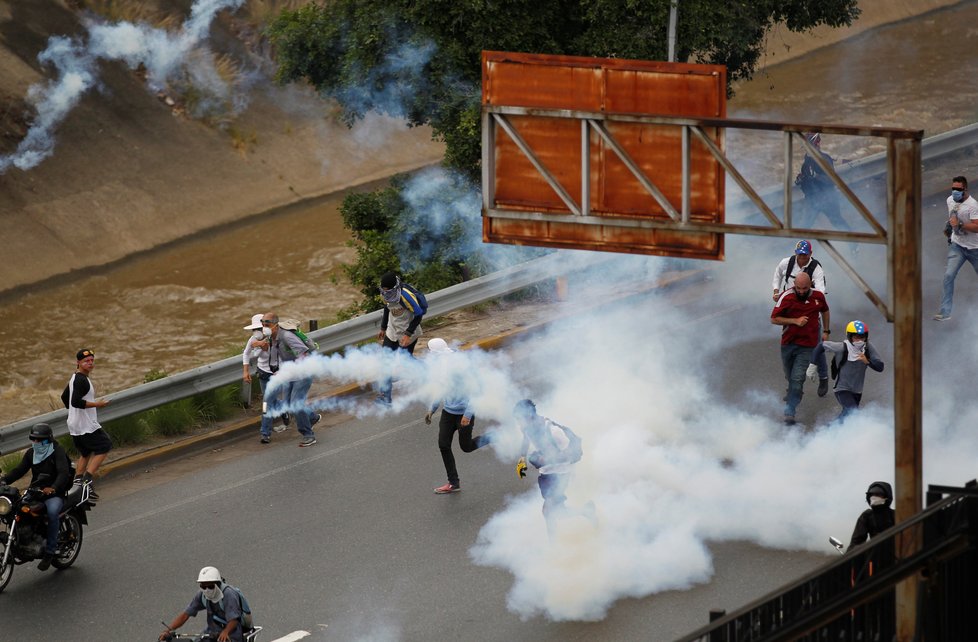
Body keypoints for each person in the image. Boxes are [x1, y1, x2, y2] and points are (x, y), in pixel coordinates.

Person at [0, 423, 72, 570]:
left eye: (40, 440)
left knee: (52, 513)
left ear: (48, 440)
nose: (37, 443)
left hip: (54, 494)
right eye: (34, 439)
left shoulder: (57, 451)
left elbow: (63, 473)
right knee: (17, 510)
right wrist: (3, 481)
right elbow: (19, 471)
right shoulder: (32, 453)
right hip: (35, 492)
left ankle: (50, 552)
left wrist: (53, 488)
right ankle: (24, 540)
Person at [423, 338, 490, 494]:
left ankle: (492, 437)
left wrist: (467, 414)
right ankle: (453, 483)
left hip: (463, 414)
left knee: (466, 447)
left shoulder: (461, 366)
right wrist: (432, 409)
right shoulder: (441, 366)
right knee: (443, 444)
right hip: (448, 413)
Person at [513, 399, 583, 534]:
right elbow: (526, 439)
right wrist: (522, 458)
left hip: (562, 473)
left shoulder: (553, 430)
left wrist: (548, 459)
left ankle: (553, 548)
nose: (518, 422)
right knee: (559, 512)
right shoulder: (527, 427)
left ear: (528, 415)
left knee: (548, 511)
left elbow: (570, 452)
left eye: (519, 418)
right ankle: (586, 511)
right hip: (546, 473)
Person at [772, 239, 831, 397]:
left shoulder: (816, 268)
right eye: (799, 255)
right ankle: (793, 386)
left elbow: (820, 289)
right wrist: (776, 290)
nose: (802, 258)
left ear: (810, 254)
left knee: (816, 346)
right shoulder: (787, 263)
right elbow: (777, 274)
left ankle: (823, 376)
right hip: (791, 310)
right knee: (789, 347)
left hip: (810, 310)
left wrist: (810, 296)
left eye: (805, 255)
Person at [771, 272, 830, 425]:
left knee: (797, 379)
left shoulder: (818, 296)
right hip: (788, 344)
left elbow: (825, 310)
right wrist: (794, 321)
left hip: (808, 346)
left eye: (804, 288)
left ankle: (790, 410)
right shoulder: (786, 296)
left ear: (810, 285)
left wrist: (826, 331)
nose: (801, 291)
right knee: (790, 376)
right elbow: (774, 318)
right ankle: (794, 392)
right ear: (794, 286)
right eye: (798, 288)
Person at [261, 312, 319, 447]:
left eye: (267, 323)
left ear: (275, 325)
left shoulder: (286, 336)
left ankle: (308, 435)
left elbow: (303, 353)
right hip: (290, 374)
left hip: (303, 373)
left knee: (295, 404)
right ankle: (312, 417)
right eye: (263, 323)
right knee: (288, 405)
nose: (264, 326)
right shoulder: (273, 338)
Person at [60, 348, 112, 496]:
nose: (89, 363)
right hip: (85, 425)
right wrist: (97, 404)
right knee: (105, 446)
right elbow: (75, 401)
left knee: (85, 453)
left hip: (75, 424)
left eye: (91, 361)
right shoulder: (81, 380)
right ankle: (86, 482)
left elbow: (65, 397)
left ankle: (77, 486)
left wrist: (74, 413)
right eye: (86, 361)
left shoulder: (74, 378)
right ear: (78, 363)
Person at [812, 320, 885, 421]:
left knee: (848, 416)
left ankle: (832, 430)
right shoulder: (842, 347)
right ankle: (831, 432)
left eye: (862, 337)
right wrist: (812, 365)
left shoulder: (868, 347)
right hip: (842, 388)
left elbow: (880, 367)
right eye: (856, 337)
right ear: (850, 337)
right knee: (853, 412)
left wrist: (867, 361)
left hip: (857, 391)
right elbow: (821, 346)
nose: (859, 340)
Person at [376, 272, 426, 404]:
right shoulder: (385, 294)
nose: (385, 292)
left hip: (407, 333)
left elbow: (419, 314)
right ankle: (385, 397)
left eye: (387, 289)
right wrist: (383, 327)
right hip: (392, 331)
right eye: (383, 289)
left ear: (393, 287)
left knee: (406, 362)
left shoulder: (405, 296)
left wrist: (408, 334)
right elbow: (387, 308)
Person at [160, 566, 246, 642]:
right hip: (211, 633)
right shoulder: (202, 595)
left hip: (231, 634)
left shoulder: (228, 595)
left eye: (210, 586)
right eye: (203, 587)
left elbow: (234, 620)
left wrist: (226, 632)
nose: (207, 590)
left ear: (217, 584)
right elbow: (185, 615)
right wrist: (168, 630)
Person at [934, 175, 978, 321]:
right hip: (957, 246)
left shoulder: (972, 205)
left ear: (965, 189)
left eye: (958, 189)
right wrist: (949, 227)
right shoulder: (949, 200)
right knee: (948, 276)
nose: (954, 191)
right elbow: (952, 218)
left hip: (974, 248)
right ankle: (945, 312)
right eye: (953, 188)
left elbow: (977, 227)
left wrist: (959, 225)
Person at [241, 313, 288, 444]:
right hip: (263, 374)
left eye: (259, 329)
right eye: (254, 330)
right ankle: (285, 409)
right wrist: (245, 371)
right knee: (270, 402)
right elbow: (247, 354)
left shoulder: (276, 338)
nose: (256, 332)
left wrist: (265, 345)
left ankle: (265, 433)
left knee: (266, 403)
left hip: (276, 374)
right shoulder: (253, 340)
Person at [794, 131, 848, 230]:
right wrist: (800, 179)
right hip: (812, 200)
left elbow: (832, 179)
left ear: (816, 144)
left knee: (837, 222)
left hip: (827, 199)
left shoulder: (824, 159)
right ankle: (799, 245)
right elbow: (806, 178)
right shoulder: (806, 161)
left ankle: (853, 244)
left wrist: (815, 176)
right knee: (805, 226)